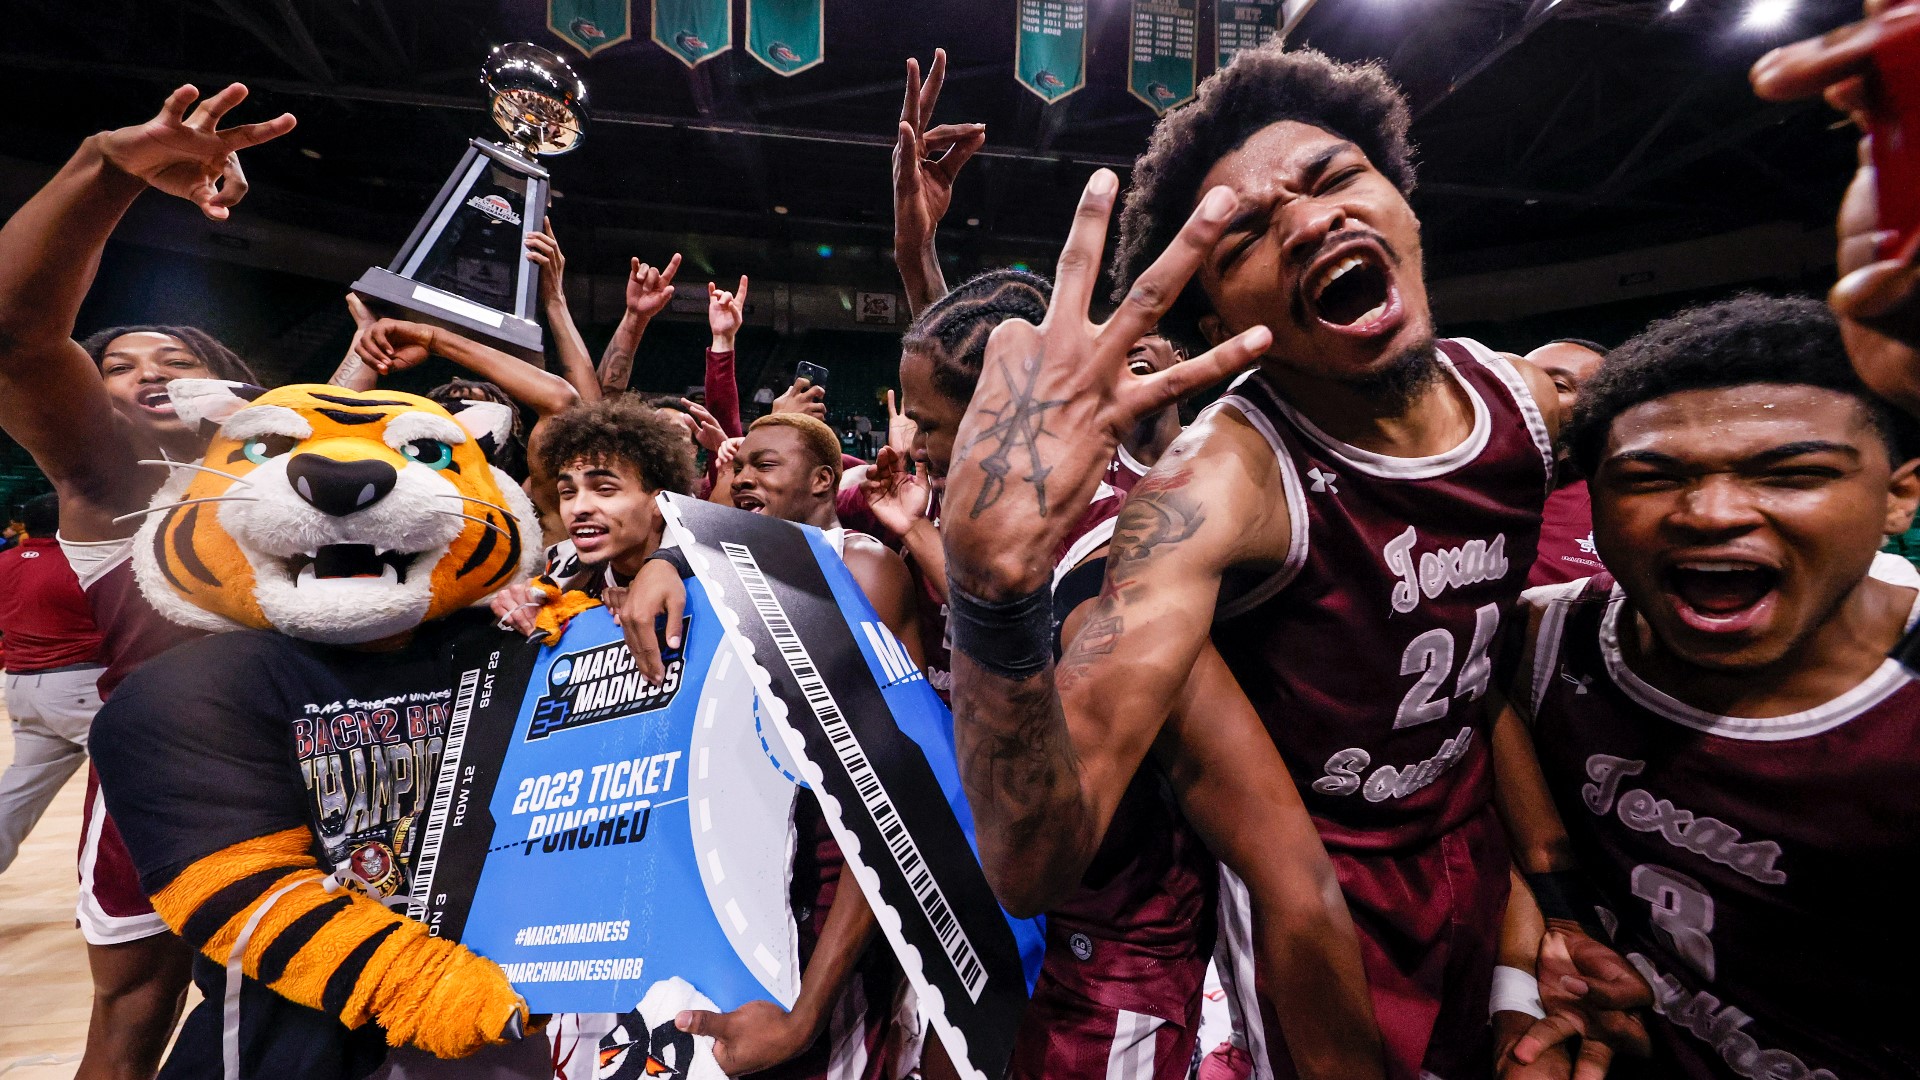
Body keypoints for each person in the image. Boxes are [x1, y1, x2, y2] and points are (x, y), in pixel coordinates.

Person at [941, 43, 1567, 1080]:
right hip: (1321, 900)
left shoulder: (1529, 404)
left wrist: (1547, 920)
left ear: (1404, 203)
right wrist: (991, 596)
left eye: (1333, 180)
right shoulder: (1210, 491)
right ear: (1215, 326)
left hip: (1478, 853)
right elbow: (1031, 862)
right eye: (1250, 235)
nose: (1314, 220)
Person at [1493, 294, 1920, 1078]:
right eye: (1650, 478)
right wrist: (1559, 951)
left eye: (1790, 474)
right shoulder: (1541, 645)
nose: (1710, 513)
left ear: (1900, 495)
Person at [0, 82, 293, 1080]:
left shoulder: (276, 477)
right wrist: (104, 167)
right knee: (134, 1017)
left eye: (174, 357)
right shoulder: (114, 477)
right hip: (166, 780)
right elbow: (14, 334)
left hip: (316, 765)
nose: (149, 372)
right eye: (120, 365)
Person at [617, 412, 926, 1079]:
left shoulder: (860, 569)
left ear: (823, 480)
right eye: (738, 465)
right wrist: (666, 560)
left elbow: (889, 804)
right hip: (717, 892)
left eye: (766, 465)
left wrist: (808, 1011)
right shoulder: (710, 577)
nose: (743, 477)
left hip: (825, 904)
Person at [491, 394, 699, 636]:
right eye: (567, 492)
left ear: (658, 502)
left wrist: (666, 563)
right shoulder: (561, 570)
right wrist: (517, 610)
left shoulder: (710, 559)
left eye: (604, 490)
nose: (579, 508)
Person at [0, 492, 105, 874]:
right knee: (138, 769)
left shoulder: (5, 561)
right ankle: (130, 888)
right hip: (77, 686)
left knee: (19, 791)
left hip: (20, 687)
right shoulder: (77, 563)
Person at [1526, 339, 1609, 587]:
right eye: (1515, 378)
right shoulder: (1444, 480)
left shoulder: (1616, 505)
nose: (1527, 390)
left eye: (1556, 385)